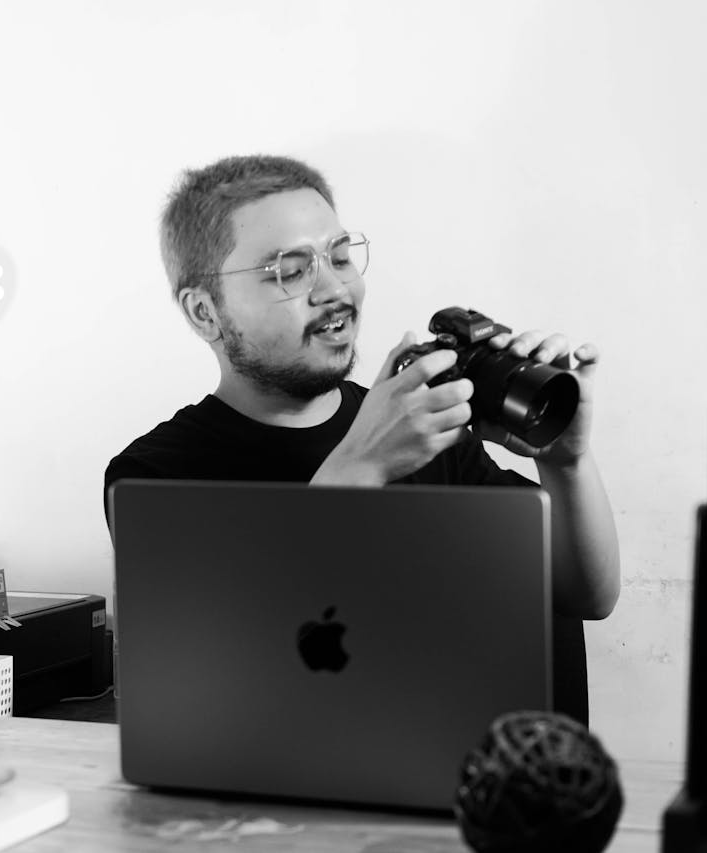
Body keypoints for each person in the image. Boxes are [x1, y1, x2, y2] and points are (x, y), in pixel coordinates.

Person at [104, 155, 620, 724]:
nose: (333, 287)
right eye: (290, 270)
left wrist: (566, 464)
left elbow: (584, 597)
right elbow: (213, 684)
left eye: (341, 256)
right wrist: (362, 465)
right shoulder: (154, 477)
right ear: (205, 312)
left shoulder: (427, 426)